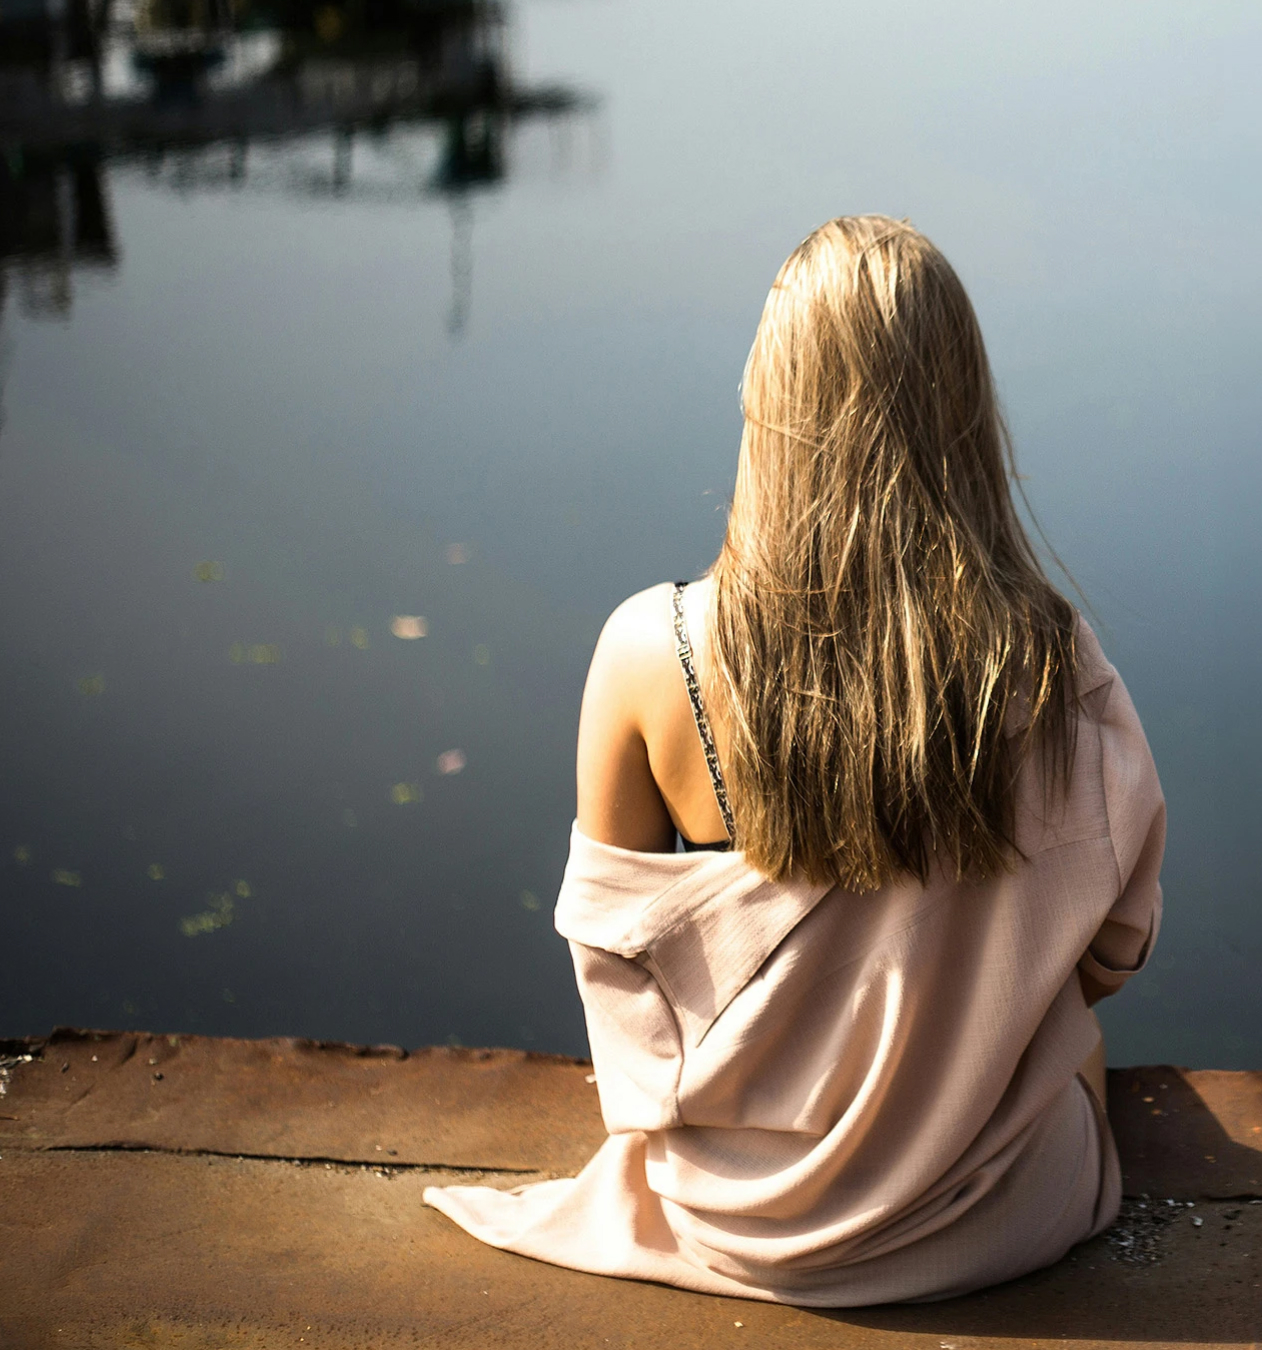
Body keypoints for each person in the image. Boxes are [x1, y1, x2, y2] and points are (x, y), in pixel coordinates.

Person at [424, 216, 1165, 1306]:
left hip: (735, 1222)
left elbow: (617, 977)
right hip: (992, 1214)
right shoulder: (1053, 663)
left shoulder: (650, 651)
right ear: (966, 410)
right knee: (1083, 1063)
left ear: (766, 401)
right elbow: (1113, 951)